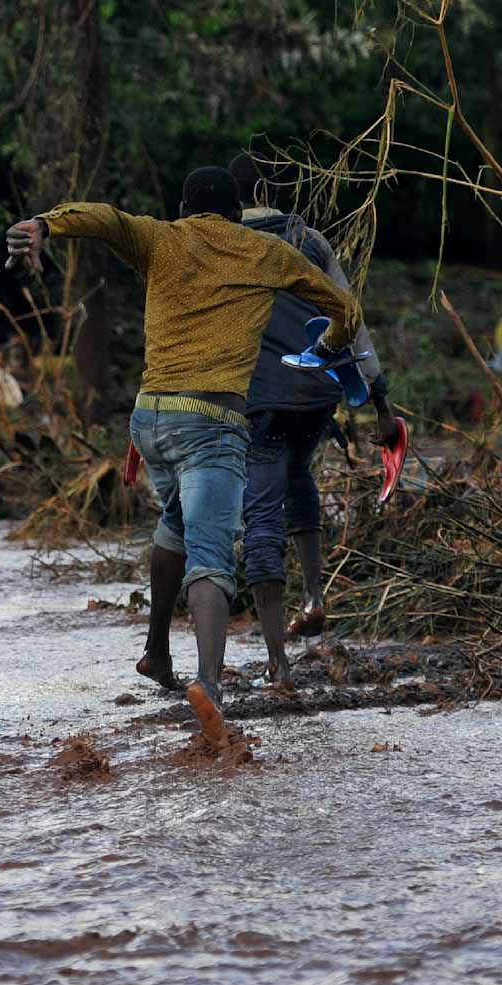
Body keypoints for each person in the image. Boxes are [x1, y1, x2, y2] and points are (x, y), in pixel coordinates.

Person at [5, 166, 362, 743]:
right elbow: (343, 303)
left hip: (150, 420)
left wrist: (45, 224)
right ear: (235, 209)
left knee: (176, 523)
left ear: (184, 206)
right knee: (213, 555)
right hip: (212, 423)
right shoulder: (262, 252)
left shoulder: (160, 238)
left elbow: (103, 217)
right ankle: (209, 685)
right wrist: (329, 345)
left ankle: (155, 652)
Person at [228, 151, 399, 687]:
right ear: (271, 193)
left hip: (262, 399)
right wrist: (382, 402)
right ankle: (315, 595)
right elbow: (352, 318)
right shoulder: (312, 240)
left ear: (234, 200)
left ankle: (277, 661)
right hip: (318, 393)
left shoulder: (227, 246)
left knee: (261, 513)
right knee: (298, 476)